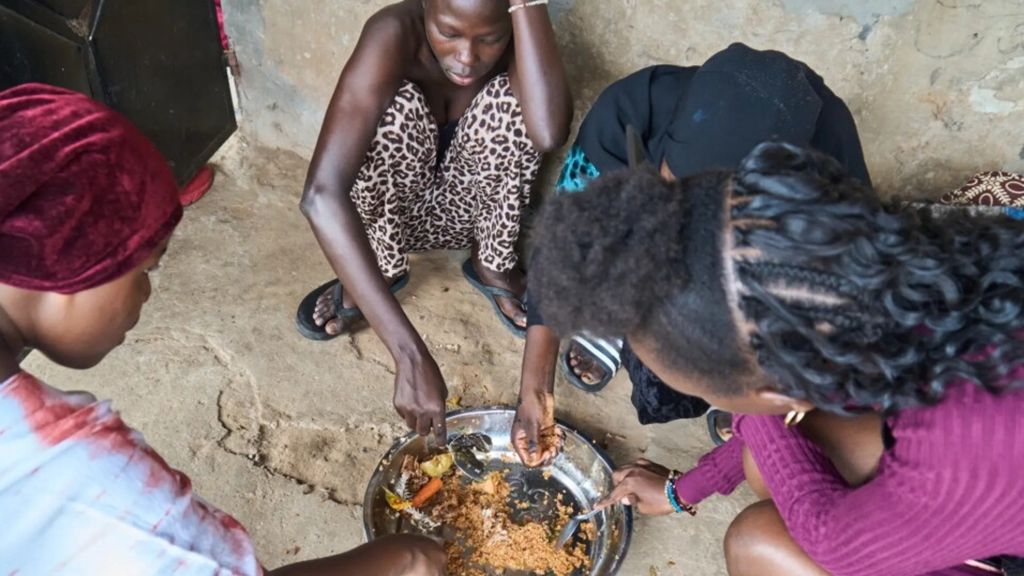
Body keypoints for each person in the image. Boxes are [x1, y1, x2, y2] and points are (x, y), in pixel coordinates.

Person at [0, 83, 444, 575]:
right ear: (66, 259)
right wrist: (406, 559)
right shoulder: (90, 478)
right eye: (145, 269)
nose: (147, 293)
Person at [525, 139, 1024, 574]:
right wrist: (687, 489)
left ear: (781, 390)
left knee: (757, 544)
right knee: (779, 453)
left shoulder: (969, 445)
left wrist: (748, 419)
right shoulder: (902, 278)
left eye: (708, 394)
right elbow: (780, 422)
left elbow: (836, 546)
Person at [511, 43, 872, 466]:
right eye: (674, 188)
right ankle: (626, 335)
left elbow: (838, 302)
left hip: (744, 287)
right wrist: (534, 387)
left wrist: (758, 377)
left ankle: (734, 383)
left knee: (721, 367)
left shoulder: (827, 192)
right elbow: (565, 245)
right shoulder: (633, 111)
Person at [296, 0, 571, 443]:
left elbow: (549, 132)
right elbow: (321, 195)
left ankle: (493, 262)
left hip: (470, 212)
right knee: (391, 109)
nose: (467, 57)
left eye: (489, 38)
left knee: (512, 101)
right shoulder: (391, 34)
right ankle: (380, 268)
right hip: (396, 216)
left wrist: (526, 9)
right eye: (449, 32)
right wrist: (409, 355)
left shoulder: (521, 29)